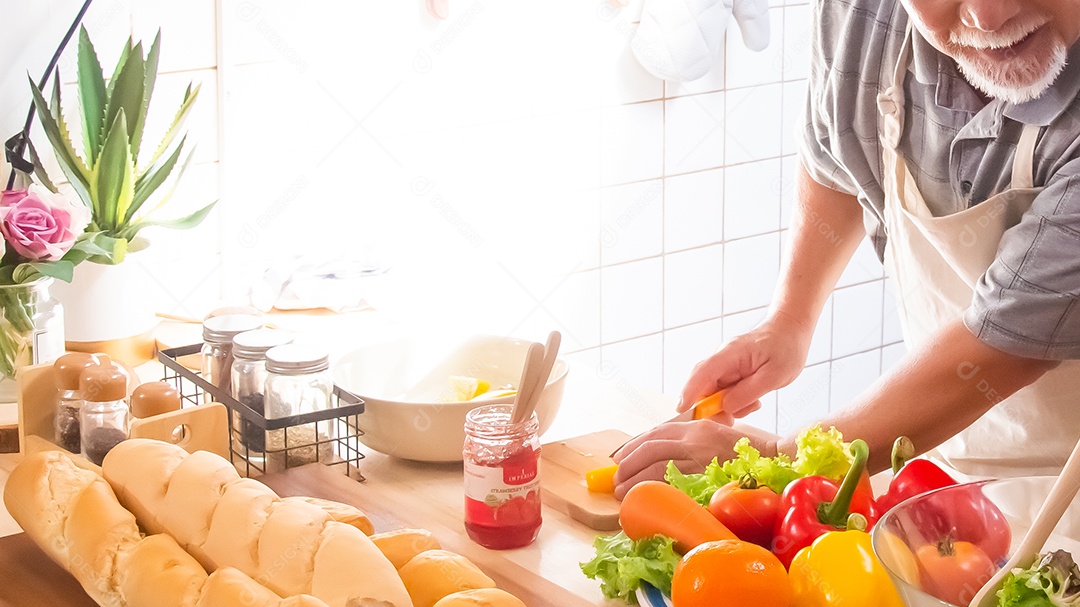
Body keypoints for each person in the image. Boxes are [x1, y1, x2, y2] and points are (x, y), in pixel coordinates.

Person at [612, 0, 1080, 498]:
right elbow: (839, 147)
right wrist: (789, 321)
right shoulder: (863, 10)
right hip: (944, 484)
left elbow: (998, 349)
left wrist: (776, 460)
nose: (988, 17)